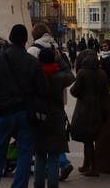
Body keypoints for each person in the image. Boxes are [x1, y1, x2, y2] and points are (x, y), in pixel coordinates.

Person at [0, 23, 47, 188]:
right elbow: (42, 89)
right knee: (24, 154)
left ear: (10, 38)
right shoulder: (32, 62)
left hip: (3, 112)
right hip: (25, 113)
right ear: (26, 40)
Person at [27, 22, 73, 181]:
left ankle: (41, 180)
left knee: (40, 152)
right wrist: (60, 61)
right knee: (54, 145)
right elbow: (69, 74)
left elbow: (27, 75)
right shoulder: (57, 49)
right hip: (57, 103)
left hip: (39, 107)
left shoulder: (32, 51)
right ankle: (61, 165)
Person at [34, 47, 75, 188]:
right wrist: (61, 60)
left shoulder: (35, 76)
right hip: (56, 117)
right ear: (54, 59)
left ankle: (38, 185)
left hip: (38, 118)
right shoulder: (59, 77)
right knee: (54, 156)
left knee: (39, 155)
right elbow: (71, 75)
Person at [70, 49, 109, 178]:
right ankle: (87, 165)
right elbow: (105, 93)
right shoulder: (102, 74)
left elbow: (74, 91)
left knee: (87, 139)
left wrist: (81, 94)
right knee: (91, 137)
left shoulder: (82, 73)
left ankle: (93, 168)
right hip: (98, 107)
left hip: (84, 108)